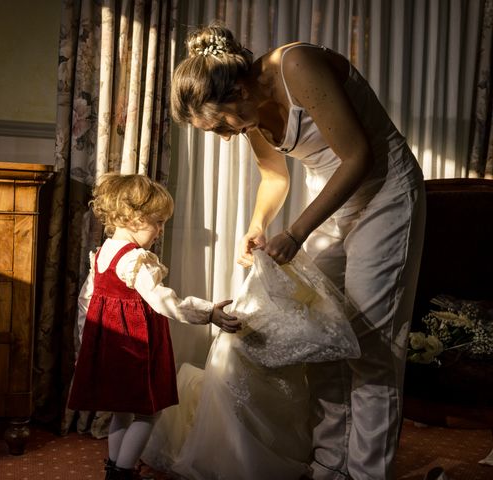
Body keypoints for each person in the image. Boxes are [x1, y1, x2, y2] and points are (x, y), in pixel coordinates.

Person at [162, 22, 426, 480]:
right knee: (319, 332)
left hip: (385, 195)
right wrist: (257, 224)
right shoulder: (249, 111)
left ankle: (366, 473)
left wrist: (298, 232)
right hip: (336, 201)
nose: (226, 136)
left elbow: (359, 156)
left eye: (222, 123)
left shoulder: (297, 65)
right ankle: (330, 463)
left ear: (240, 87)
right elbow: (275, 177)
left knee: (372, 345)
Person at [67, 173, 241, 480]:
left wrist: (86, 345)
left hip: (110, 344)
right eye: (157, 222)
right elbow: (164, 300)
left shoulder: (102, 253)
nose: (161, 231)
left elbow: (86, 301)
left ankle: (114, 468)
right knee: (149, 412)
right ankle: (122, 471)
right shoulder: (136, 259)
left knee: (122, 410)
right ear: (134, 218)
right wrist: (208, 312)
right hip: (136, 347)